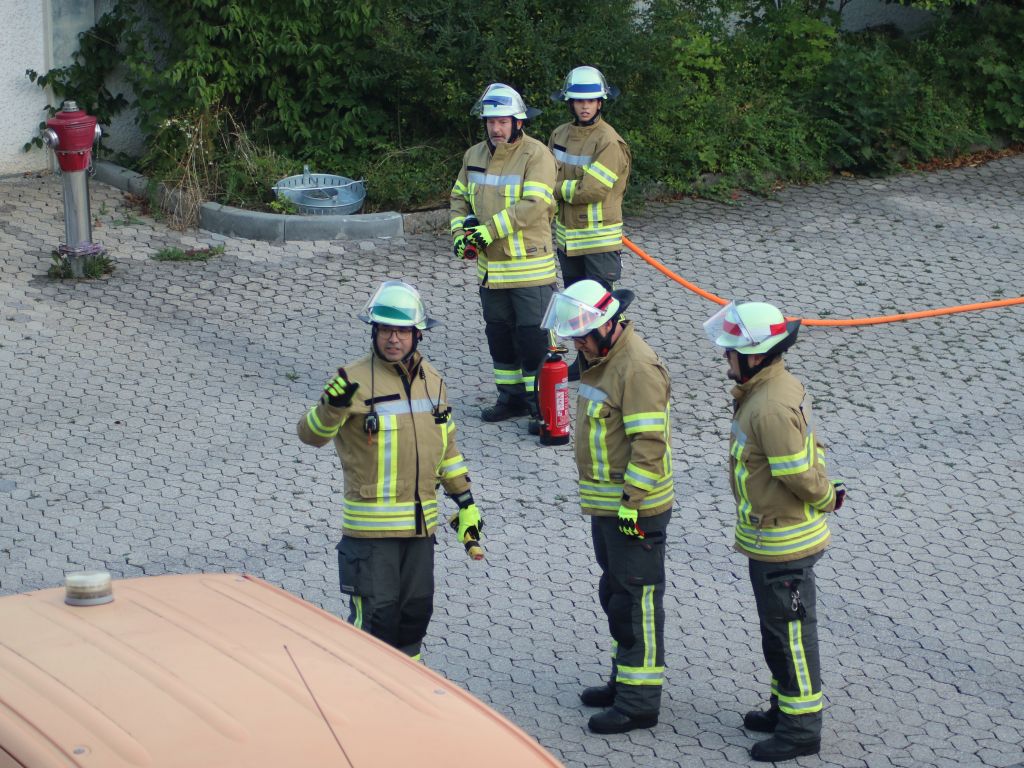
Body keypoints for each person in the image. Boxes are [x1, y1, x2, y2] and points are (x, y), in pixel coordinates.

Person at [297, 280, 485, 661]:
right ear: (374, 331)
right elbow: (311, 435)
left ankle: (406, 699)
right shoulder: (351, 380)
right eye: (385, 329)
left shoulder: (432, 382)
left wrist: (465, 502)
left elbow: (446, 448)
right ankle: (362, 703)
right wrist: (330, 408)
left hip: (420, 529)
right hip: (372, 532)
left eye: (401, 330)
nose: (392, 339)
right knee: (376, 624)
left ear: (418, 334)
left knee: (415, 615)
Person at [704, 301, 846, 762]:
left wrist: (827, 497)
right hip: (769, 539)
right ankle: (784, 707)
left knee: (792, 636)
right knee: (777, 631)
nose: (724, 358)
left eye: (730, 351)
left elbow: (799, 476)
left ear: (755, 355)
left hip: (784, 543)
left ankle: (802, 729)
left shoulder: (768, 406)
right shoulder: (773, 388)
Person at [541, 279, 674, 734]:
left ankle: (639, 702)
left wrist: (632, 506)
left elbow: (649, 445)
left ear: (607, 326)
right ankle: (624, 681)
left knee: (637, 599)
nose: (576, 342)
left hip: (634, 510)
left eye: (581, 334)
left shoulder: (635, 369)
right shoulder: (604, 362)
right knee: (617, 595)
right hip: (609, 509)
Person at [450, 83, 557, 434]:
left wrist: (488, 231)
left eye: (503, 121)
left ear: (517, 121)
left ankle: (541, 406)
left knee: (533, 340)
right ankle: (509, 398)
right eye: (491, 121)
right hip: (490, 271)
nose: (496, 128)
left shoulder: (537, 155)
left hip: (529, 269)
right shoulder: (473, 155)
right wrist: (460, 232)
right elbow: (459, 199)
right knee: (499, 337)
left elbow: (533, 205)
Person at [548, 66, 632, 382]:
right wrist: (564, 185)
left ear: (601, 103)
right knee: (576, 307)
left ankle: (617, 360)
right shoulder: (559, 135)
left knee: (603, 308)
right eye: (579, 101)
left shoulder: (609, 142)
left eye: (592, 101)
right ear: (570, 103)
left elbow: (592, 190)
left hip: (598, 241)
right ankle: (584, 362)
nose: (585, 106)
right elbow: (545, 173)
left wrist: (557, 189)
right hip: (569, 239)